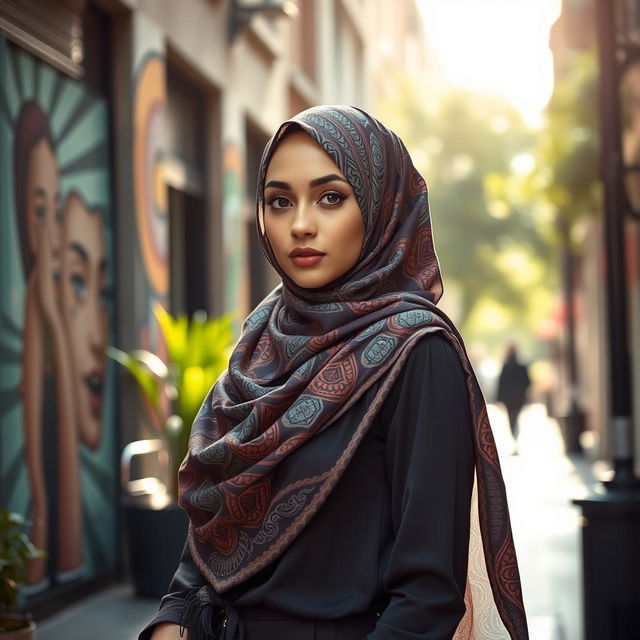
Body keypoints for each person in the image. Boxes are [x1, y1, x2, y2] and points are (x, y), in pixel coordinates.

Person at [141, 106, 528, 639]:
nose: (300, 223)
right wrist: (172, 617)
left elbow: (428, 595)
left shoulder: (416, 352)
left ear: (379, 205)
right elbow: (213, 534)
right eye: (279, 201)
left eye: (330, 197)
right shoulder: (263, 338)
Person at [496, 343, 531, 455]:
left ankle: (515, 439)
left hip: (508, 398)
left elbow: (501, 383)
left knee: (511, 419)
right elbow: (528, 382)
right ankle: (515, 440)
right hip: (519, 397)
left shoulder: (505, 365)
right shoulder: (523, 366)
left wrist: (498, 398)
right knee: (516, 417)